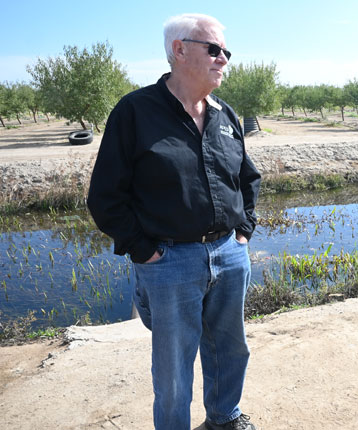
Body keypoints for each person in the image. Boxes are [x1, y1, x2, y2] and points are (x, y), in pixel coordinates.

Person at [87, 13, 261, 430]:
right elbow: (105, 197)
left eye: (226, 52)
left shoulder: (224, 113)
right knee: (173, 369)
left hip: (229, 255)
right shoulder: (135, 112)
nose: (224, 59)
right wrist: (144, 251)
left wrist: (244, 229)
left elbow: (247, 178)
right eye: (214, 49)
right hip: (168, 263)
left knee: (230, 350)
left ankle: (224, 418)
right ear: (179, 50)